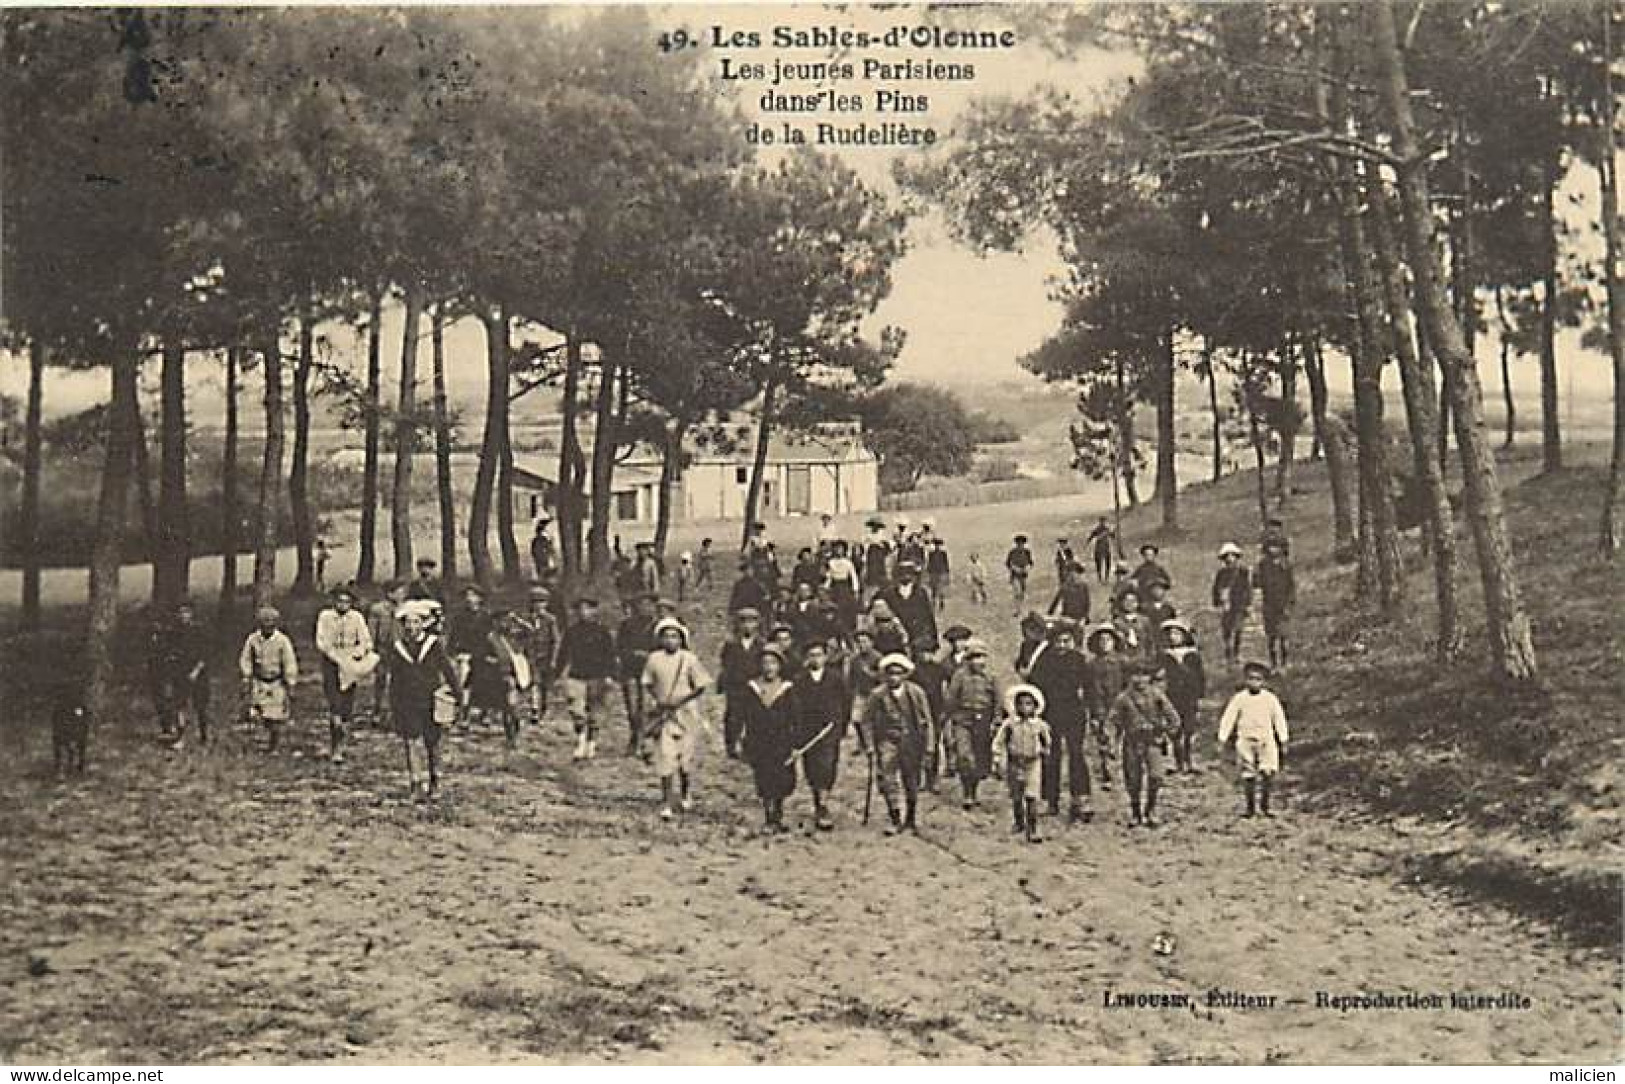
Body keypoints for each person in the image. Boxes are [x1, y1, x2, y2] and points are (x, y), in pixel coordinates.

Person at [386, 604, 464, 799]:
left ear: (423, 624)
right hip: (408, 702)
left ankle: (435, 780)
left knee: (433, 743)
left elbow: (448, 671)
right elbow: (394, 679)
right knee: (411, 742)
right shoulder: (398, 649)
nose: (412, 627)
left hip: (431, 700)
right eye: (408, 623)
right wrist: (393, 705)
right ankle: (416, 783)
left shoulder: (433, 645)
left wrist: (457, 695)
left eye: (416, 622)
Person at [640, 617, 711, 821]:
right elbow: (647, 682)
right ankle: (667, 800)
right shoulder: (654, 659)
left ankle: (686, 792)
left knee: (685, 759)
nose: (670, 640)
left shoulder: (689, 659)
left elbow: (701, 685)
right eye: (666, 636)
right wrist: (658, 700)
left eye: (675, 636)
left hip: (686, 714)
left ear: (681, 639)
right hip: (664, 714)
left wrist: (680, 700)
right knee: (665, 757)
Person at [858, 653, 934, 835]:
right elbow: (865, 721)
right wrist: (868, 745)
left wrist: (930, 745)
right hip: (888, 742)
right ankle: (895, 818)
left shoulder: (916, 693)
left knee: (912, 781)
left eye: (898, 673)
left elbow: (927, 720)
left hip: (912, 742)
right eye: (890, 673)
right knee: (888, 779)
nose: (894, 677)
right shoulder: (877, 695)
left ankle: (911, 819)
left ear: (905, 674)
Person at [1028, 619, 1093, 823]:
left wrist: (1091, 709)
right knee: (1051, 756)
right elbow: (1033, 684)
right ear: (1052, 642)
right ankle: (1051, 800)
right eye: (1059, 642)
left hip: (1074, 712)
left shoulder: (1079, 660)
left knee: (1076, 754)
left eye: (1067, 641)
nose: (1063, 645)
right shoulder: (1044, 660)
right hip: (1051, 713)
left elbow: (1089, 686)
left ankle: (1080, 798)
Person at [1107, 661, 1182, 827]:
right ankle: (1135, 812)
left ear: (1149, 677)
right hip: (1132, 743)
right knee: (1133, 779)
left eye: (1144, 675)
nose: (1140, 679)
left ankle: (1151, 810)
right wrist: (1112, 742)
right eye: (1135, 675)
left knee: (1156, 776)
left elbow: (1173, 718)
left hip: (1153, 742)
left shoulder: (1157, 695)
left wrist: (1166, 733)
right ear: (1129, 677)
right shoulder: (1123, 699)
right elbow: (1113, 722)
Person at [1217, 660, 1290, 817]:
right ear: (1245, 680)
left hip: (1266, 739)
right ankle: (1250, 808)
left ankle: (1265, 805)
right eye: (1251, 678)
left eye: (1258, 679)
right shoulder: (1239, 699)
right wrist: (1222, 738)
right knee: (1248, 773)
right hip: (1245, 739)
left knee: (1268, 771)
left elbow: (1279, 719)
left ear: (1263, 682)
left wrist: (1283, 739)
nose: (1254, 682)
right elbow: (1229, 718)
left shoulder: (1270, 699)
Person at [315, 584, 377, 763]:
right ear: (334, 601)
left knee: (346, 704)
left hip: (350, 663)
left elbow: (365, 641)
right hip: (332, 663)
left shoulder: (356, 618)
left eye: (347, 602)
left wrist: (357, 654)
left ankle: (340, 746)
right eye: (339, 601)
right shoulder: (325, 617)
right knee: (334, 703)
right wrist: (335, 656)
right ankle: (335, 740)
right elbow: (322, 642)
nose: (343, 605)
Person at [792, 639, 849, 830]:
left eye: (819, 655)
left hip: (830, 729)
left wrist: (842, 726)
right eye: (811, 655)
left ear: (825, 657)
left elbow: (845, 702)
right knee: (812, 768)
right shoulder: (800, 680)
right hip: (808, 730)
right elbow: (796, 707)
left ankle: (823, 806)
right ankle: (818, 800)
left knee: (827, 765)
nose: (815, 659)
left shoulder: (836, 678)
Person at [741, 645, 798, 833]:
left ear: (780, 666)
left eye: (773, 663)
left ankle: (778, 814)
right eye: (765, 663)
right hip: (759, 739)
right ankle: (768, 816)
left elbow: (795, 716)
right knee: (764, 777)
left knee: (782, 778)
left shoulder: (787, 688)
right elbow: (744, 714)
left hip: (782, 740)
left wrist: (795, 742)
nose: (769, 667)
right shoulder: (752, 688)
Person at [557, 597, 617, 761]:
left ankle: (591, 743)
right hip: (577, 675)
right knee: (576, 710)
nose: (583, 612)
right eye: (580, 609)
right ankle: (581, 740)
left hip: (597, 676)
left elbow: (610, 655)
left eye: (587, 608)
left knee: (595, 712)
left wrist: (610, 675)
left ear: (594, 611)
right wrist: (557, 673)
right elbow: (563, 653)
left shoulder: (603, 632)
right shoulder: (572, 631)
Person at [942, 638, 999, 808]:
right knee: (964, 755)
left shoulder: (991, 677)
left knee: (980, 756)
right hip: (963, 720)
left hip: (983, 720)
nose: (978, 661)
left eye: (981, 657)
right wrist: (949, 717)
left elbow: (998, 699)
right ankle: (967, 793)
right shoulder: (960, 676)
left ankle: (973, 791)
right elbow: (951, 698)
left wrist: (996, 719)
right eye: (974, 657)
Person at [992, 683, 1053, 843]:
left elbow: (1047, 741)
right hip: (1014, 763)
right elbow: (999, 740)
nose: (1024, 707)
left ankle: (1033, 828)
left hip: (1033, 763)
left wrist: (1046, 751)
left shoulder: (1040, 725)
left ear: (1035, 706)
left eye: (1028, 704)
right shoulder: (1010, 724)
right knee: (1017, 795)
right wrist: (997, 757)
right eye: (1021, 704)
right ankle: (1019, 821)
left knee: (1031, 796)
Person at [239, 605, 298, 753]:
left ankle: (274, 745)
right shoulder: (253, 640)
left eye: (271, 622)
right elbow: (245, 659)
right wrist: (246, 676)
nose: (268, 626)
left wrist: (290, 682)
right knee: (258, 712)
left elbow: (289, 661)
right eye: (264, 622)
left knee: (276, 715)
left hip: (276, 681)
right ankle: (260, 742)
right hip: (259, 681)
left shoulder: (282, 641)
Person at [152, 601, 211, 750]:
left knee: (200, 707)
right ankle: (181, 736)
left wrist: (196, 671)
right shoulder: (174, 633)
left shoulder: (199, 631)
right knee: (179, 705)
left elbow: (206, 654)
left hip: (199, 674)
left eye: (186, 612)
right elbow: (168, 652)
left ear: (192, 613)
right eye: (180, 612)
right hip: (180, 674)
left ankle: (204, 735)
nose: (183, 615)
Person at [1084, 623, 1127, 790]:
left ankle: (1121, 772)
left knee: (1120, 740)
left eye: (1108, 639)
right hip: (1099, 707)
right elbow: (1089, 689)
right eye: (1101, 640)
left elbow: (1127, 684)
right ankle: (1107, 774)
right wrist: (1092, 710)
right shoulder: (1092, 665)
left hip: (1118, 705)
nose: (1105, 643)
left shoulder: (1121, 662)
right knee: (1103, 740)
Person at [1160, 619, 1206, 773]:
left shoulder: (1192, 655)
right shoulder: (1165, 656)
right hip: (1173, 697)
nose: (1173, 637)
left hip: (1189, 697)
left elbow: (1200, 677)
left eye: (1177, 633)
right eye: (1171, 634)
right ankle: (1177, 761)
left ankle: (1188, 760)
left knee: (1189, 729)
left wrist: (1200, 695)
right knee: (1174, 729)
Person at [616, 593, 658, 758]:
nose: (644, 608)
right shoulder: (626, 625)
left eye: (648, 605)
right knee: (632, 707)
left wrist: (648, 655)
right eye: (641, 604)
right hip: (630, 670)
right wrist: (631, 654)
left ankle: (644, 740)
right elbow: (619, 647)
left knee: (647, 707)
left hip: (650, 672)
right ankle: (634, 736)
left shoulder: (658, 626)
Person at [719, 607, 764, 759]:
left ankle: (750, 748)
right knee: (734, 717)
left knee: (753, 717)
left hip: (754, 686)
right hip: (736, 686)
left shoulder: (761, 644)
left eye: (751, 622)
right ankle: (731, 746)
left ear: (757, 624)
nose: (747, 626)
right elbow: (726, 664)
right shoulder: (731, 644)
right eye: (743, 622)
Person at [449, 585, 496, 724]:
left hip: (482, 655)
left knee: (485, 682)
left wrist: (492, 654)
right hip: (465, 654)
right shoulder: (459, 617)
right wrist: (452, 653)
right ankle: (464, 713)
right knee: (464, 683)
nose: (469, 599)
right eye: (467, 596)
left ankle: (485, 712)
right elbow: (453, 637)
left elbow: (492, 638)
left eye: (473, 595)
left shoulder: (486, 616)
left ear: (480, 598)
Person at [514, 585, 560, 724]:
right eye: (535, 602)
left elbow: (555, 640)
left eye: (542, 602)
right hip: (530, 655)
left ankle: (543, 707)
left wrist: (554, 658)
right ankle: (534, 709)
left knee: (544, 685)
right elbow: (519, 637)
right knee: (534, 682)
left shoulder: (550, 620)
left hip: (545, 656)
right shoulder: (525, 619)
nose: (538, 605)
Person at [877, 560, 938, 658]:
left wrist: (933, 640)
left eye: (909, 574)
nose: (906, 576)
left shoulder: (921, 593)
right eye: (902, 574)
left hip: (917, 638)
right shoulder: (888, 594)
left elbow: (928, 617)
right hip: (895, 640)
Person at [366, 582, 406, 728]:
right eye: (398, 592)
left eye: (402, 592)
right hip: (383, 649)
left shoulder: (405, 609)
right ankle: (377, 711)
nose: (401, 595)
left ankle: (396, 713)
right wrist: (371, 649)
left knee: (399, 682)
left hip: (400, 649)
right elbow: (372, 630)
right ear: (389, 594)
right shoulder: (378, 609)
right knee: (381, 680)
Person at [1256, 538, 1297, 669]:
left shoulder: (1286, 565)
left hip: (1283, 605)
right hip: (1269, 605)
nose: (1273, 549)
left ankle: (1284, 663)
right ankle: (1273, 664)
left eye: (1277, 546)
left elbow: (1291, 586)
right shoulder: (1263, 565)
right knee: (1271, 637)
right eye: (1271, 546)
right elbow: (1257, 583)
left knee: (1284, 636)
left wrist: (1289, 604)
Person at [1211, 542, 1254, 664]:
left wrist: (1248, 604)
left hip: (1239, 604)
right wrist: (1218, 603)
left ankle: (1236, 653)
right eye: (1227, 556)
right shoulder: (1221, 573)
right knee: (1227, 630)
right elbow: (1215, 588)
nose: (1230, 558)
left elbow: (1247, 588)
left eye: (1232, 555)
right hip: (1226, 606)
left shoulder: (1243, 572)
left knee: (1238, 630)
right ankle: (1228, 653)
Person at [823, 540, 862, 639]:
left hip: (845, 587)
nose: (838, 551)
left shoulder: (848, 562)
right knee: (835, 609)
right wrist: (825, 588)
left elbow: (853, 577)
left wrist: (855, 590)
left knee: (847, 608)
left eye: (841, 549)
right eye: (836, 548)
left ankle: (849, 631)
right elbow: (829, 577)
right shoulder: (831, 562)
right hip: (835, 587)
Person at [1113, 588, 1157, 664]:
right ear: (1122, 603)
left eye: (1133, 601)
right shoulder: (1116, 622)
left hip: (1142, 658)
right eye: (1126, 601)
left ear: (1138, 603)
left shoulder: (1144, 621)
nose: (1129, 604)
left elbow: (1150, 641)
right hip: (1123, 660)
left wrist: (1150, 657)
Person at [1143, 580, 1178, 652]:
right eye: (1155, 589)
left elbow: (1173, 625)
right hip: (1150, 640)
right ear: (1151, 591)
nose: (1158, 592)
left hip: (1165, 641)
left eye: (1161, 589)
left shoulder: (1169, 609)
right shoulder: (1144, 608)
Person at [1014, 611, 1049, 678]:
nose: (1035, 631)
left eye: (1038, 629)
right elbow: (1020, 662)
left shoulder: (1048, 647)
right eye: (1031, 629)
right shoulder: (1025, 645)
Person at [1005, 534, 1034, 608]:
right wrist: (1014, 568)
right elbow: (1007, 563)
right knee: (1017, 592)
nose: (1020, 545)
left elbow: (1031, 563)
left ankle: (1021, 608)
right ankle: (1017, 609)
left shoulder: (1027, 552)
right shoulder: (1012, 552)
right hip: (1014, 575)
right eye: (1018, 543)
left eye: (1022, 543)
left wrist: (1027, 568)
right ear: (1016, 544)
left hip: (1023, 576)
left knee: (1022, 593)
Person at [1086, 517, 1115, 583]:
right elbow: (1091, 537)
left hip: (1106, 548)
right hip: (1099, 548)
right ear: (1099, 522)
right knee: (1098, 563)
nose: (1103, 523)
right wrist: (1088, 542)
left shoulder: (1107, 529)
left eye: (1104, 521)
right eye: (1101, 521)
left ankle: (1106, 578)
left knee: (1108, 563)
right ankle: (1099, 578)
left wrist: (1112, 532)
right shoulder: (1097, 529)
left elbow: (1113, 537)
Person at [925, 538, 951, 610]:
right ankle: (935, 602)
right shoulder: (932, 554)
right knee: (934, 588)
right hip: (934, 572)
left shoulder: (942, 554)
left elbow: (946, 564)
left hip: (940, 572)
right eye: (936, 545)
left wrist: (947, 573)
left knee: (940, 588)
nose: (937, 546)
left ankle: (940, 602)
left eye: (938, 545)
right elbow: (929, 564)